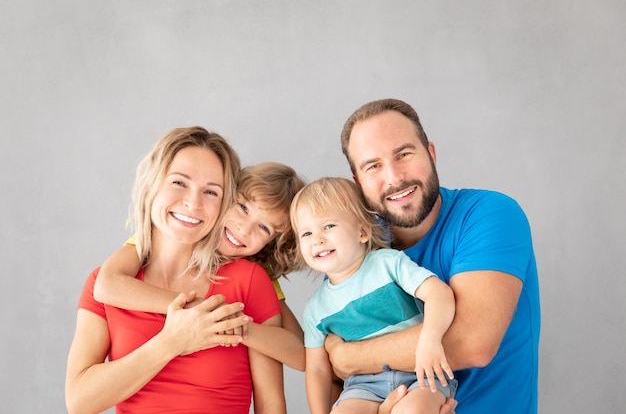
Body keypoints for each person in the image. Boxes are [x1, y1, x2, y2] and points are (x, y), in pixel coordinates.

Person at [325, 99, 540, 414]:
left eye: (405, 154)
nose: (395, 177)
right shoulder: (354, 248)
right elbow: (335, 380)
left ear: (431, 153)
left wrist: (349, 357)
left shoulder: (489, 215)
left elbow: (472, 342)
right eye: (373, 166)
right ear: (358, 183)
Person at [65, 127, 286, 414]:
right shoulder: (105, 283)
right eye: (179, 183)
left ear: (224, 203)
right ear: (153, 184)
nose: (193, 203)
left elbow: (271, 405)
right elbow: (80, 402)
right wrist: (172, 341)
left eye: (211, 191)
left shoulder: (248, 280)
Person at [92, 161, 307, 371]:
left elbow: (302, 354)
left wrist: (232, 324)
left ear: (271, 245)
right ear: (225, 197)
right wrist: (202, 310)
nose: (244, 229)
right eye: (243, 208)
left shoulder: (255, 271)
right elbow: (106, 285)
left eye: (264, 228)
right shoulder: (174, 235)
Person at [291, 177, 458, 414]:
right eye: (306, 233)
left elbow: (439, 294)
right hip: (362, 387)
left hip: (420, 372)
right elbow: (317, 370)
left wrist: (430, 340)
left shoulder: (388, 263)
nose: (317, 239)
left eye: (328, 226)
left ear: (362, 231)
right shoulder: (315, 309)